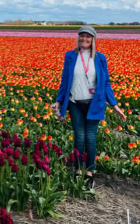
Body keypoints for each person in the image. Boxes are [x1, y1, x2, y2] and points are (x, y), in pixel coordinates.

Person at [51, 26, 126, 188]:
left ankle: (90, 172)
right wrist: (59, 100)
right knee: (79, 137)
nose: (84, 39)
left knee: (90, 138)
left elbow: (105, 83)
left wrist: (114, 105)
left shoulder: (100, 58)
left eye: (88, 36)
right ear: (78, 38)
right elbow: (65, 79)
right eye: (81, 36)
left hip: (95, 104)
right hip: (75, 102)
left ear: (93, 39)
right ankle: (78, 170)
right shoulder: (70, 56)